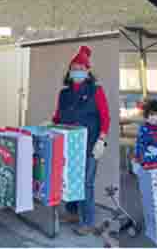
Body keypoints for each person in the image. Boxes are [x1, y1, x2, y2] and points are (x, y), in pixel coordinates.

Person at [52, 46, 111, 236]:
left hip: (91, 144)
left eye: (81, 67)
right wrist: (51, 123)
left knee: (86, 183)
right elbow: (58, 116)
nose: (77, 71)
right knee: (70, 179)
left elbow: (105, 117)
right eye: (74, 67)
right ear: (69, 71)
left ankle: (88, 221)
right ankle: (72, 213)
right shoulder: (64, 94)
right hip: (69, 145)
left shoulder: (96, 91)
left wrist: (102, 139)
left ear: (87, 71)